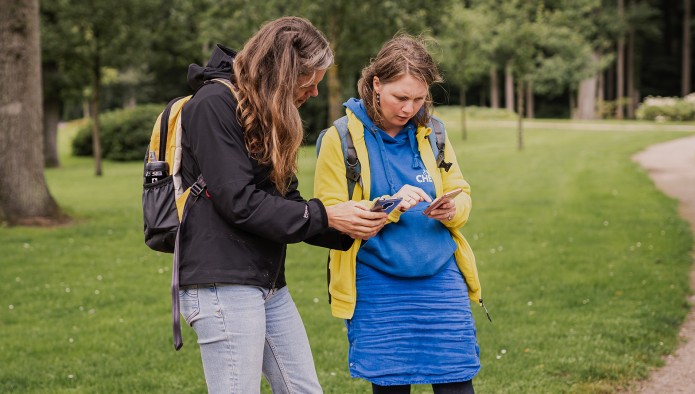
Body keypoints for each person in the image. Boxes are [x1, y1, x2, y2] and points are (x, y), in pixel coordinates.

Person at [177, 17, 387, 393]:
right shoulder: (212, 105)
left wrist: (350, 222)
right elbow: (239, 202)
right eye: (310, 83)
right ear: (283, 74)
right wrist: (327, 214)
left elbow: (288, 203)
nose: (315, 93)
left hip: (267, 281)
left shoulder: (268, 115)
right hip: (222, 283)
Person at [314, 35, 484, 394]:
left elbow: (462, 191)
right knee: (391, 386)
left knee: (457, 381)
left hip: (441, 278)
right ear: (376, 84)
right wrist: (390, 205)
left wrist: (452, 208)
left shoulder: (434, 132)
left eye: (419, 98)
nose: (409, 108)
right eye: (400, 97)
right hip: (377, 282)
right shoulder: (339, 138)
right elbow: (329, 215)